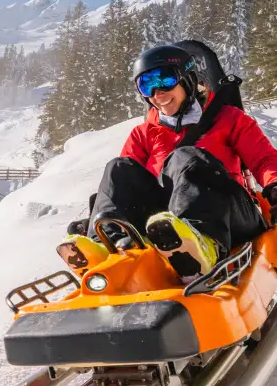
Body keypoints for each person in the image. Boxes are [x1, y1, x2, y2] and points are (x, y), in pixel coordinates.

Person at [58, 43, 277, 283]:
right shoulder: (144, 133)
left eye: (165, 80)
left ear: (188, 79)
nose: (157, 93)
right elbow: (121, 189)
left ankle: (202, 242)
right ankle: (106, 248)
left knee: (186, 157)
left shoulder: (229, 119)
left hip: (229, 215)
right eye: (147, 85)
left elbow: (265, 159)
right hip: (166, 228)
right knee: (119, 168)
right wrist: (94, 220)